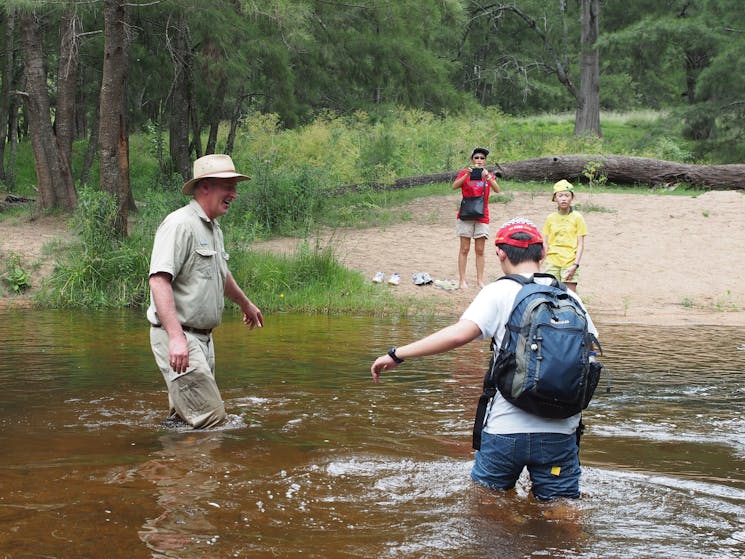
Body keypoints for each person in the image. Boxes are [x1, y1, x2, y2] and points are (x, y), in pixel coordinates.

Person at [370, 218, 599, 500]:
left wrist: (397, 354)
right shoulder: (570, 298)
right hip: (561, 432)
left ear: (500, 253)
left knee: (487, 507)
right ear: (542, 253)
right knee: (562, 510)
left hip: (505, 431)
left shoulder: (498, 292)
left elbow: (458, 335)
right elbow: (589, 357)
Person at [147, 154, 264, 429]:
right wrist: (176, 339)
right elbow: (158, 281)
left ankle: (174, 467)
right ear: (205, 187)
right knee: (212, 423)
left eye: (235, 187)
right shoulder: (179, 225)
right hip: (179, 338)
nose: (234, 194)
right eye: (228, 186)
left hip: (202, 341)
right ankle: (199, 472)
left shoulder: (213, 228)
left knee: (185, 423)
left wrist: (245, 304)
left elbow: (220, 274)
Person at [452, 147, 501, 289]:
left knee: (480, 250)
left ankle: (480, 280)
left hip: (482, 215)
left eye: (482, 158)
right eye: (477, 158)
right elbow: (454, 186)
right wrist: (466, 175)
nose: (479, 160)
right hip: (466, 214)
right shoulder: (465, 172)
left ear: (485, 161)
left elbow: (497, 190)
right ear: (472, 159)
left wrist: (488, 177)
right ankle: (462, 280)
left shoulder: (488, 175)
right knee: (464, 249)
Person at [542, 179, 588, 292]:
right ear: (555, 198)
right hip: (552, 262)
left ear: (571, 198)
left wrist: (575, 265)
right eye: (560, 195)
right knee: (550, 295)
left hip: (569, 262)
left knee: (569, 297)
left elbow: (581, 244)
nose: (563, 198)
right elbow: (546, 243)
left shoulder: (578, 218)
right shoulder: (550, 218)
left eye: (567, 195)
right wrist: (541, 261)